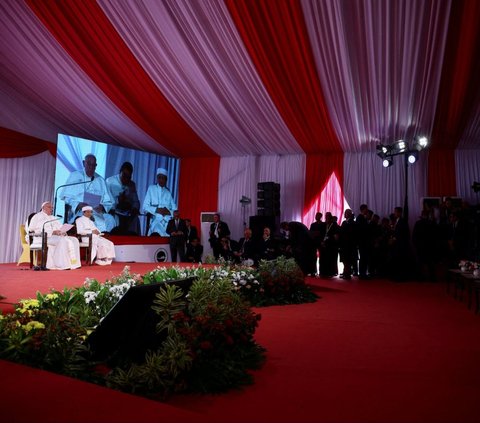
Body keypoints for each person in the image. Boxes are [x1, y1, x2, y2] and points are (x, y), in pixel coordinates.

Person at [61, 154, 116, 233]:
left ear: (96, 166)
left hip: (97, 212)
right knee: (86, 220)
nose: (91, 167)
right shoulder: (74, 176)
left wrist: (102, 207)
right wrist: (78, 205)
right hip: (80, 212)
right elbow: (67, 198)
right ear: (84, 163)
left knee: (110, 219)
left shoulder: (100, 180)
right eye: (89, 164)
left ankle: (106, 238)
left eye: (93, 165)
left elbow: (109, 202)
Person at [27, 201, 81, 270]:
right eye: (49, 207)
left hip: (55, 237)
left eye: (52, 208)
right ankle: (61, 265)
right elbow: (32, 229)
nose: (51, 209)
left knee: (74, 240)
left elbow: (60, 227)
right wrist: (52, 232)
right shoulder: (37, 216)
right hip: (43, 238)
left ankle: (74, 264)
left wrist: (62, 231)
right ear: (43, 208)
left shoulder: (53, 218)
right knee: (62, 240)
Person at [105, 161, 141, 235]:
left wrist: (134, 208)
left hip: (127, 213)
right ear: (120, 172)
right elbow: (106, 201)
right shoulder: (110, 182)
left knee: (135, 220)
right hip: (115, 212)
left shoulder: (132, 184)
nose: (126, 179)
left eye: (129, 177)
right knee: (115, 220)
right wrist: (118, 200)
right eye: (124, 176)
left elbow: (136, 202)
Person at [143, 167, 176, 236]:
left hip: (167, 221)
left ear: (166, 180)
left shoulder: (168, 192)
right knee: (158, 231)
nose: (161, 180)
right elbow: (145, 207)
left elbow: (175, 210)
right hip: (156, 220)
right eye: (159, 177)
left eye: (163, 178)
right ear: (157, 178)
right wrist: (157, 210)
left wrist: (168, 211)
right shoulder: (151, 188)